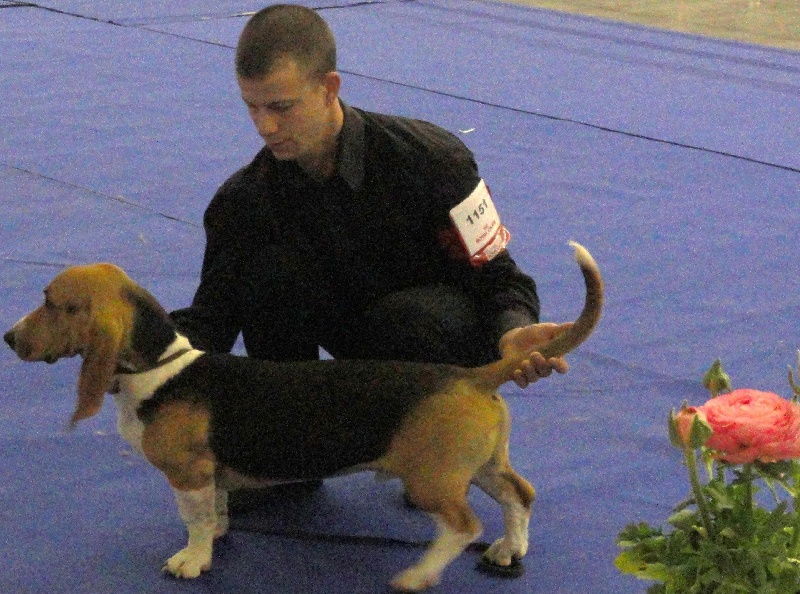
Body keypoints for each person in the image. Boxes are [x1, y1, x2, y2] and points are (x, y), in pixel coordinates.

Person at [170, 4, 570, 414]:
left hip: (436, 343)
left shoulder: (434, 160)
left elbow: (500, 278)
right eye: (252, 106)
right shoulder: (243, 201)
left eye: (281, 107)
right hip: (353, 347)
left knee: (409, 317)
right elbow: (213, 320)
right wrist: (134, 349)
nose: (264, 127)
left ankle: (433, 429)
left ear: (329, 88)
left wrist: (512, 333)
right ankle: (294, 427)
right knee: (266, 277)